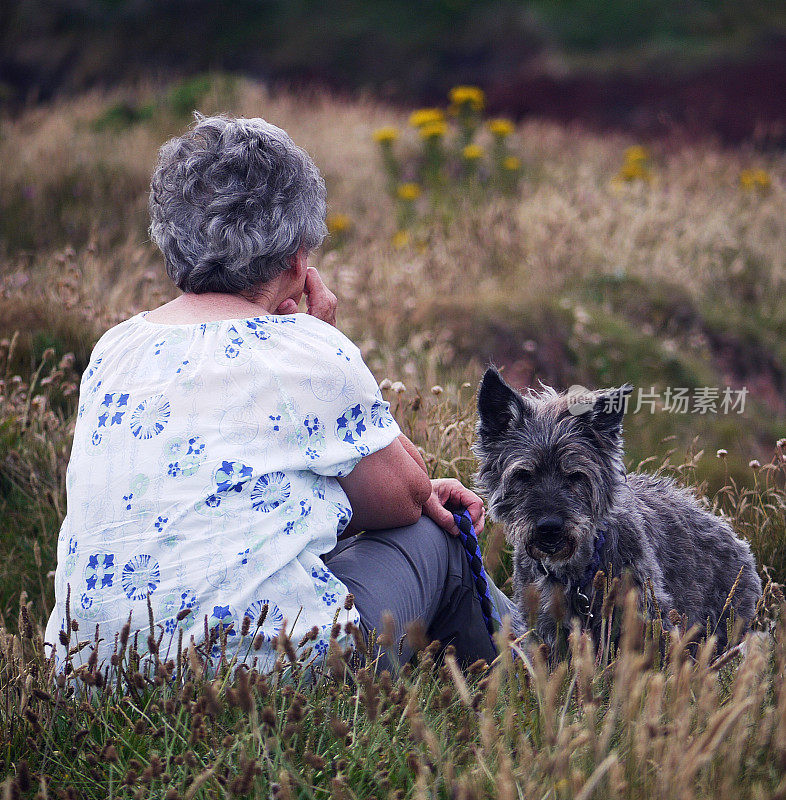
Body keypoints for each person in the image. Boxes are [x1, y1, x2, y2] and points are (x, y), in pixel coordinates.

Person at [44, 114, 517, 675]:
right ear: (297, 256)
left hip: (91, 675)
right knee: (436, 542)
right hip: (268, 676)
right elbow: (407, 503)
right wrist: (322, 343)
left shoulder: (113, 349)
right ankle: (545, 695)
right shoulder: (303, 349)